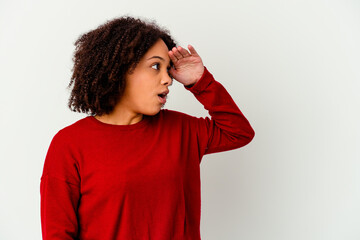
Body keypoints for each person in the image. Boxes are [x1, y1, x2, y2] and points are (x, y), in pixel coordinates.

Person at [40, 15, 255, 240]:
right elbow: (57, 233)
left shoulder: (182, 130)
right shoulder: (69, 144)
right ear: (119, 70)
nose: (168, 79)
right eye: (155, 66)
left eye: (168, 68)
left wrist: (200, 81)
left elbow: (238, 132)